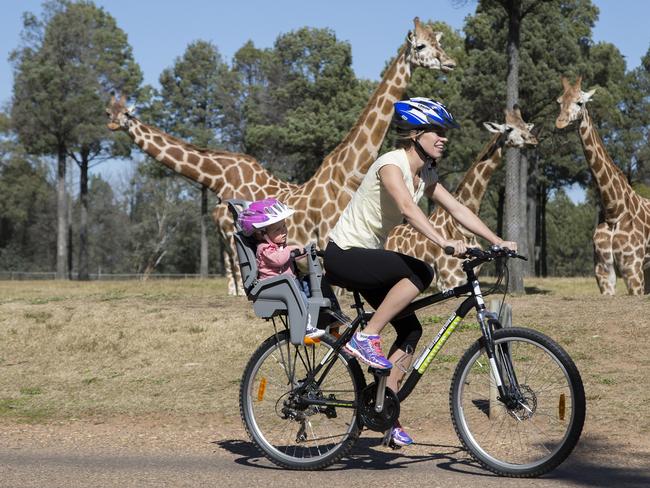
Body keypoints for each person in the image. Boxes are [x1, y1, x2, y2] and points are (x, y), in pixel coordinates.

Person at [324, 97, 517, 447]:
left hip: (366, 256)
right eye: (437, 131)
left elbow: (458, 207)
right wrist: (444, 241)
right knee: (420, 273)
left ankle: (386, 414)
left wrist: (497, 239)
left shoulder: (425, 173)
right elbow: (408, 209)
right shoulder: (391, 164)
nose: (444, 138)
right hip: (344, 255)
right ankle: (367, 336)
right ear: (415, 134)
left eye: (445, 133)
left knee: (411, 329)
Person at [238, 198, 325, 339]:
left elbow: (288, 257)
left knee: (310, 284)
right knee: (301, 296)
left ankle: (321, 318)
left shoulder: (278, 246)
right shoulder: (264, 248)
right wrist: (292, 249)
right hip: (274, 286)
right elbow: (279, 260)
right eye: (278, 229)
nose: (284, 231)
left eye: (284, 226)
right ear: (261, 233)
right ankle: (305, 327)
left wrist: (302, 253)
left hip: (288, 283)